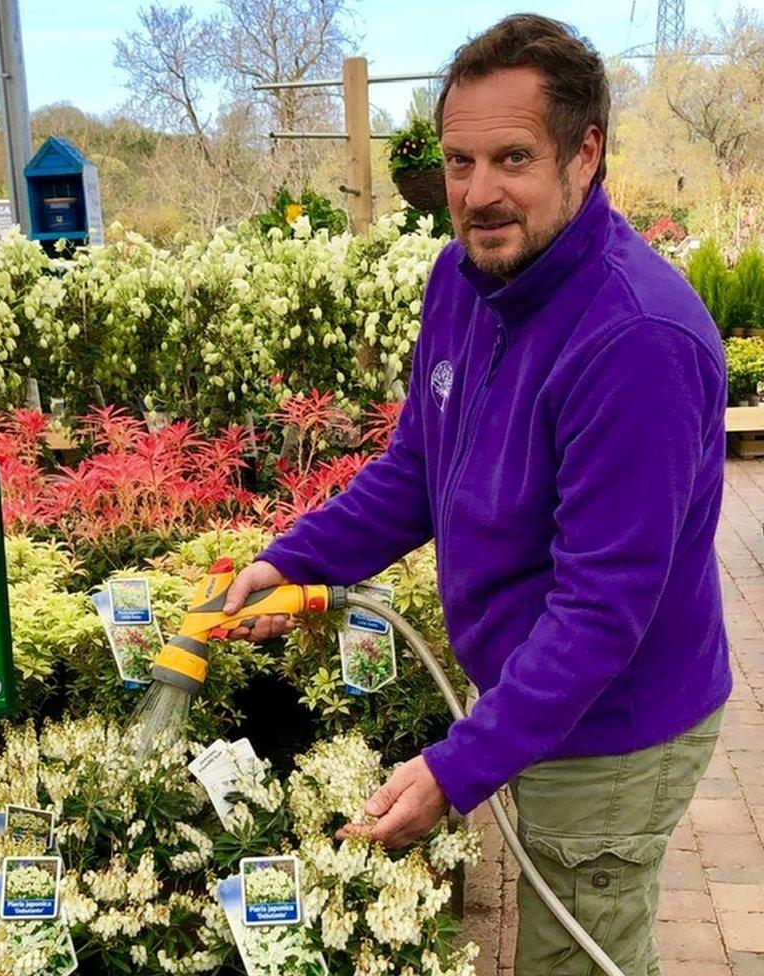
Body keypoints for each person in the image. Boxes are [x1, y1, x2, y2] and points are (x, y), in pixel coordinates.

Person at [221, 14, 731, 976]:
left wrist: (453, 771)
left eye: (512, 157)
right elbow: (421, 466)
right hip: (542, 699)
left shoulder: (635, 344)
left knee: (576, 956)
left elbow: (597, 614)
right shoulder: (466, 279)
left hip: (612, 729)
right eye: (460, 161)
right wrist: (289, 560)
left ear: (587, 153)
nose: (479, 193)